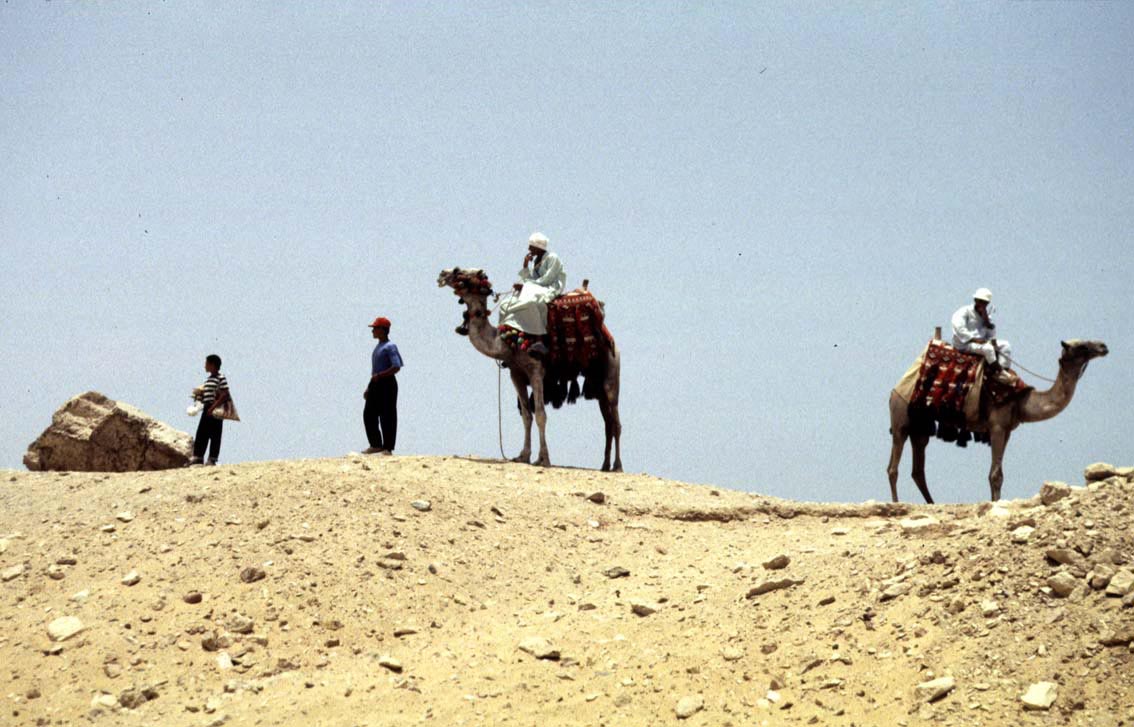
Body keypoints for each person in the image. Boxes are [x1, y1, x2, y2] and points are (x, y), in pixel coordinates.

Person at [497, 232, 567, 358]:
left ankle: (539, 339)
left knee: (531, 302)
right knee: (506, 304)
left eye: (531, 246)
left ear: (538, 247)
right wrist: (525, 266)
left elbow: (547, 279)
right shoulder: (537, 261)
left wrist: (526, 286)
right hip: (537, 287)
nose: (529, 249)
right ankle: (512, 334)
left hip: (550, 287)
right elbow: (531, 279)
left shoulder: (552, 258)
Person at [952, 288, 1014, 382]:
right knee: (988, 349)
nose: (983, 304)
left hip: (982, 342)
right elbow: (959, 329)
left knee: (1005, 345)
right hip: (965, 343)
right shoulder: (964, 311)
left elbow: (991, 335)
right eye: (981, 301)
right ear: (975, 300)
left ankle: (1003, 371)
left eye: (985, 302)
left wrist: (988, 323)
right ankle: (1000, 372)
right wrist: (974, 339)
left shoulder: (987, 316)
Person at [363, 316, 402, 455]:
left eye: (375, 328)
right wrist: (370, 386)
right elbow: (375, 370)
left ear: (382, 330)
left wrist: (380, 376)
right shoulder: (378, 347)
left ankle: (388, 448)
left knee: (387, 415)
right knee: (369, 414)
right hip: (376, 383)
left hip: (387, 383)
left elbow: (396, 366)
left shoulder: (390, 346)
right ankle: (375, 444)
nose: (373, 331)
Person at [189, 354, 229, 466]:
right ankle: (198, 457)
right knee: (202, 432)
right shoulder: (209, 379)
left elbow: (224, 394)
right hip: (207, 408)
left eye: (206, 363)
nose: (204, 366)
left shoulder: (221, 378)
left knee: (215, 434)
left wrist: (212, 407)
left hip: (215, 409)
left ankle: (212, 459)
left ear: (212, 365)